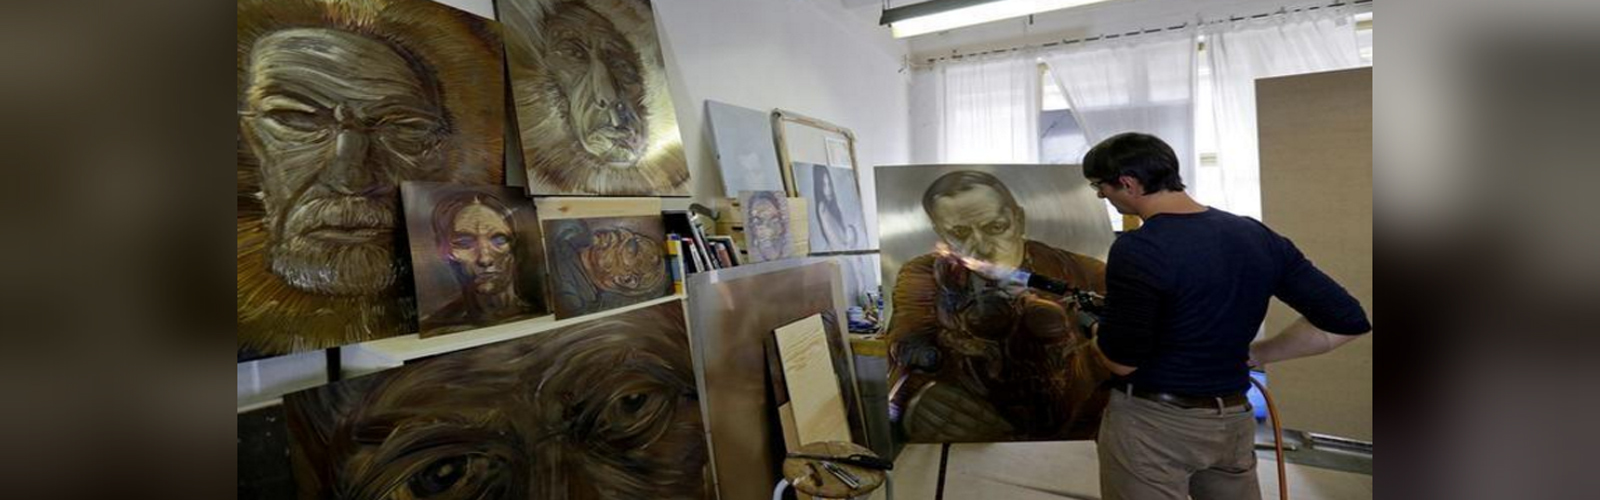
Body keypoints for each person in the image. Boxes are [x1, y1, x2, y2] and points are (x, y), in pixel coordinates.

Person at [974, 133, 1371, 499]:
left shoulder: (1139, 248)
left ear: (1128, 183)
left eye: (1100, 187)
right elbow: (1347, 320)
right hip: (1232, 422)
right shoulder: (1255, 235)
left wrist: (1091, 327)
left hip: (1154, 425)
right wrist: (1258, 353)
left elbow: (1122, 361)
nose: (1101, 196)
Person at [886, 170, 1110, 442]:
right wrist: (921, 399)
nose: (981, 246)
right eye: (960, 233)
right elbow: (906, 344)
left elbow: (1118, 355)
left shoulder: (1084, 273)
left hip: (1071, 438)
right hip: (971, 440)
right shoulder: (925, 274)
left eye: (995, 227)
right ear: (940, 233)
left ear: (1018, 219)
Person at [420, 194, 532, 333]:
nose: (484, 259)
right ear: (442, 248)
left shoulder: (537, 312)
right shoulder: (436, 327)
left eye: (499, 240)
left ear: (514, 245)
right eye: (464, 243)